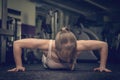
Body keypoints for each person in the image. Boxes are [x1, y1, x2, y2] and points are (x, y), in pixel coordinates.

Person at [8, 27, 111, 72]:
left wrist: (102, 66)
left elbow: (104, 45)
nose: (68, 54)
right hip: (48, 61)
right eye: (65, 50)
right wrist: (19, 65)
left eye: (71, 50)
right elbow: (17, 43)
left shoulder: (79, 46)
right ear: (57, 47)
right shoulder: (48, 45)